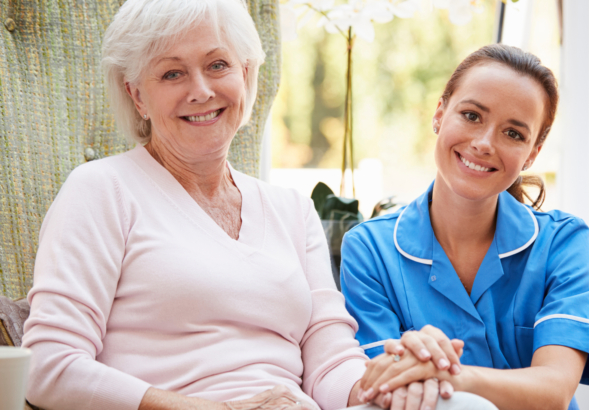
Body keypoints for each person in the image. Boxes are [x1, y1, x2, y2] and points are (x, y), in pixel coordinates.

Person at [21, 1, 481, 409]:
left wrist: (393, 379)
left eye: (217, 65)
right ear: (137, 95)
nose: (201, 90)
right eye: (172, 73)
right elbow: (47, 367)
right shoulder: (101, 190)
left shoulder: (291, 209)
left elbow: (330, 363)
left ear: (246, 75)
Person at [340, 44, 589, 410]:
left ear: (533, 152)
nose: (483, 143)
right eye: (471, 115)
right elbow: (382, 382)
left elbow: (554, 389)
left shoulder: (564, 243)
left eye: (513, 134)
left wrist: (451, 374)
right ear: (440, 113)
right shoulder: (369, 249)